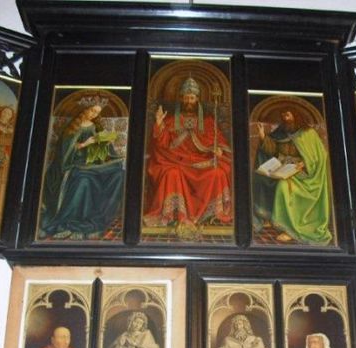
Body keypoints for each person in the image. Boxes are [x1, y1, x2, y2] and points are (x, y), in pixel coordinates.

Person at [144, 76, 232, 227]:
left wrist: (219, 151)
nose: (189, 101)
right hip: (176, 161)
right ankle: (175, 214)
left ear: (197, 99)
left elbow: (220, 142)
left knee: (218, 173)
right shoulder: (170, 120)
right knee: (171, 174)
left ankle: (212, 214)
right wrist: (159, 124)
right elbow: (162, 144)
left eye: (192, 98)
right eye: (186, 98)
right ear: (181, 99)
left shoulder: (209, 122)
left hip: (203, 161)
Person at [39, 103, 125, 241]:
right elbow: (65, 152)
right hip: (76, 164)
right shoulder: (73, 128)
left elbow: (106, 149)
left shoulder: (96, 127)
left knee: (119, 174)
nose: (94, 114)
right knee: (83, 180)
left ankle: (97, 219)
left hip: (94, 164)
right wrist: (86, 144)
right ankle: (70, 222)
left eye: (97, 112)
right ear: (84, 110)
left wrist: (105, 143)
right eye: (92, 110)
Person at [253, 109, 332, 245]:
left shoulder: (308, 133)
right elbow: (273, 150)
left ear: (296, 114)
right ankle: (269, 217)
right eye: (283, 115)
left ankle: (289, 228)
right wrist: (262, 136)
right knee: (262, 178)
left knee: (283, 187)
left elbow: (320, 157)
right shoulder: (281, 133)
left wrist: (304, 163)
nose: (285, 118)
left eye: (287, 114)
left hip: (306, 176)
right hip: (284, 169)